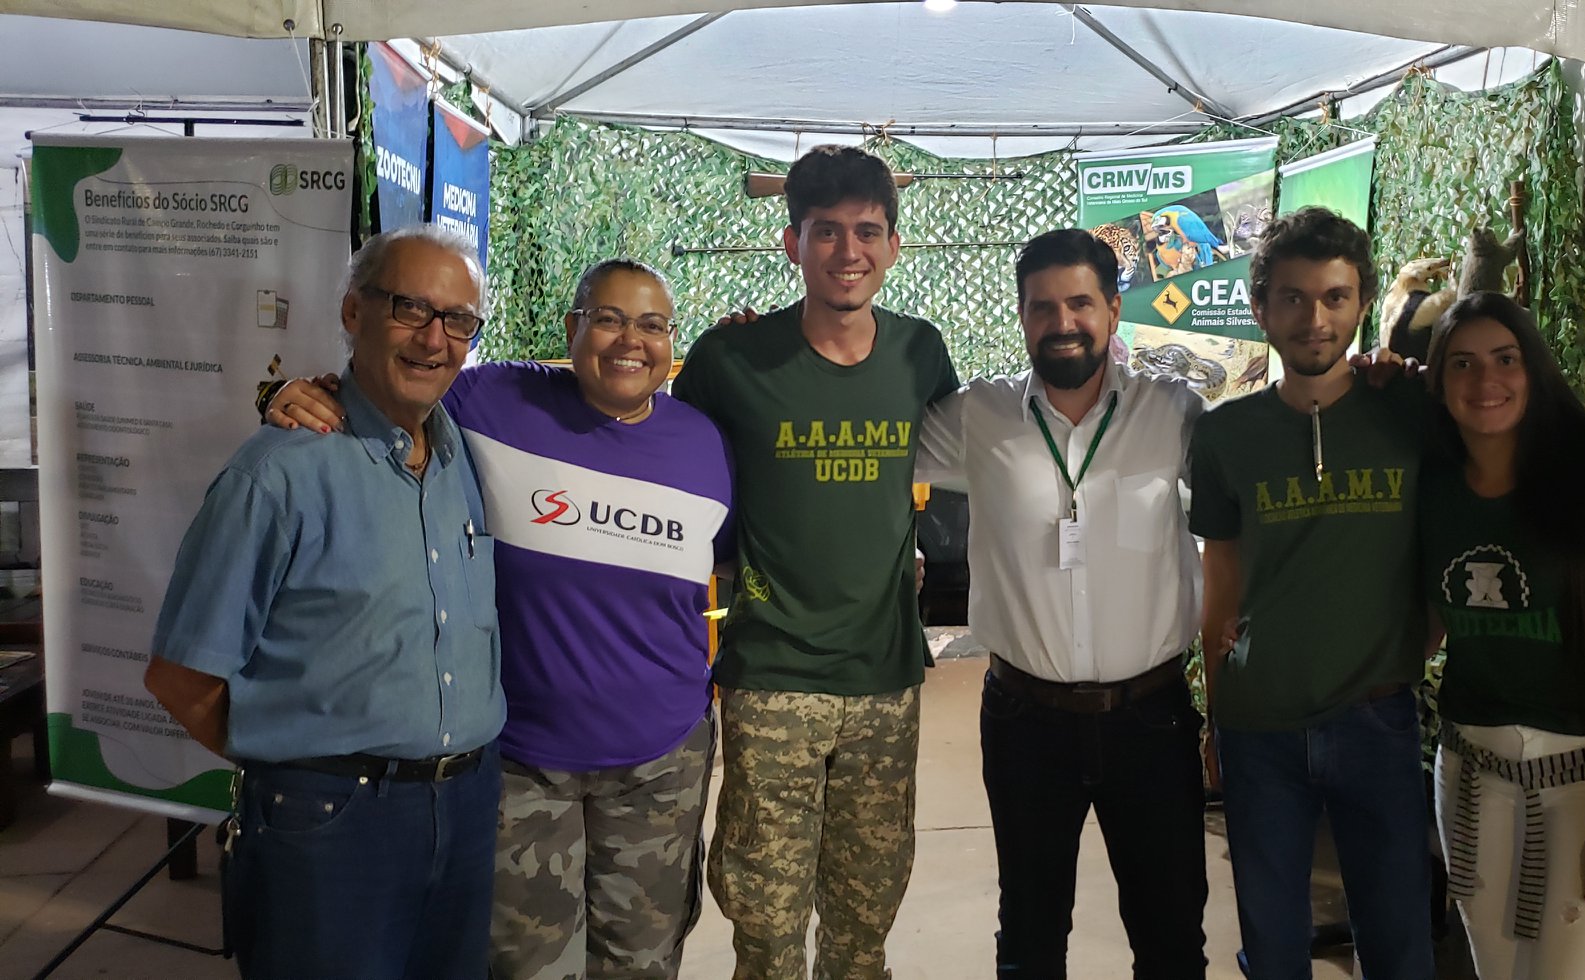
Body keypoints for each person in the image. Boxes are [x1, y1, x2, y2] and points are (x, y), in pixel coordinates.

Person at [1187, 206, 1585, 980]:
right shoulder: (1224, 436)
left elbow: (1513, 431)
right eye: (1293, 298)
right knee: (1274, 951)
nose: (1315, 318)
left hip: (1378, 720)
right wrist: (1216, 714)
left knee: (1402, 946)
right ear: (1260, 308)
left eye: (1335, 297)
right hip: (1264, 726)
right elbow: (1221, 589)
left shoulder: (1410, 409)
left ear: (1363, 302)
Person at [258, 259, 734, 978]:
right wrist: (286, 392)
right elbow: (387, 387)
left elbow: (737, 560)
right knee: (528, 965)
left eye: (652, 324)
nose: (629, 340)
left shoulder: (708, 445)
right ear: (572, 328)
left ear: (672, 342)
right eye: (607, 318)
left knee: (642, 961)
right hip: (520, 762)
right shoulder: (493, 400)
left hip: (661, 761)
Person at [145, 225, 505, 980]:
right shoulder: (276, 475)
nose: (434, 338)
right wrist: (302, 766)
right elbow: (180, 678)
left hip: (467, 808)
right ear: (352, 312)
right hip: (332, 821)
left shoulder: (463, 457)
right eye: (410, 307)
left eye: (458, 319)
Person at [673, 144, 959, 980]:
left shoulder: (920, 352)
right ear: (791, 243)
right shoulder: (730, 359)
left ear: (894, 245)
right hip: (772, 676)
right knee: (765, 923)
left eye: (867, 230)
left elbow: (973, 454)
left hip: (884, 679)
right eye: (825, 230)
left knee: (864, 921)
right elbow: (669, 465)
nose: (847, 250)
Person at [914, 228, 1208, 979]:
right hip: (1025, 723)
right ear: (1021, 316)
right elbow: (865, 433)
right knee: (1030, 938)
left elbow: (1268, 469)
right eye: (1042, 307)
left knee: (1173, 938)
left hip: (1152, 719)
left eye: (1080, 303)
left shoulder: (1174, 413)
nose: (1062, 322)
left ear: (1112, 310)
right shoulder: (978, 416)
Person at [1420, 292, 1585, 980]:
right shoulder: (1431, 490)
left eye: (1505, 359)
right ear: (1437, 381)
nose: (1486, 380)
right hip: (1471, 776)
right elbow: (1427, 627)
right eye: (1462, 363)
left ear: (1534, 370)